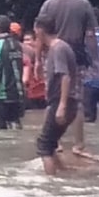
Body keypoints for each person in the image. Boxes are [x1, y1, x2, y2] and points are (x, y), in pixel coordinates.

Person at [36, 0, 99, 150]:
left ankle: (55, 142)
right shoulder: (84, 5)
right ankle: (79, 143)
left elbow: (40, 33)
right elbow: (90, 36)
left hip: (54, 58)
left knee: (53, 100)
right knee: (76, 100)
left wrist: (38, 60)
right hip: (77, 59)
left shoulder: (48, 4)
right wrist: (95, 62)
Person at [34, 16, 79, 176]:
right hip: (65, 101)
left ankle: (51, 182)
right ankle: (63, 175)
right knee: (50, 143)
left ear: (40, 30)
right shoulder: (60, 47)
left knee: (43, 145)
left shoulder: (58, 48)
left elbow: (64, 76)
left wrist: (62, 105)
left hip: (63, 101)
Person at [0, 15, 25, 130]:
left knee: (0, 133)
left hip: (2, 97)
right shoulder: (18, 45)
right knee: (15, 128)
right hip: (17, 95)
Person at [22, 30, 47, 110]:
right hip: (31, 91)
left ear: (35, 41)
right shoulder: (24, 55)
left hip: (42, 91)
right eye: (24, 40)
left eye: (28, 40)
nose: (26, 42)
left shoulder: (42, 54)